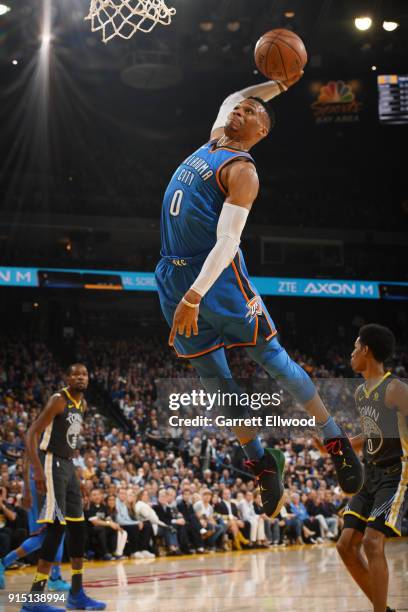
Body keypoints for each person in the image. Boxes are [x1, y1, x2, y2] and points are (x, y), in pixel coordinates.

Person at [155, 70, 363, 520]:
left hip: (217, 279)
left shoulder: (241, 171)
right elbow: (235, 92)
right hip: (173, 276)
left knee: (274, 361)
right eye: (239, 108)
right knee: (215, 381)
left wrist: (193, 297)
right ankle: (263, 462)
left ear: (260, 132)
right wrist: (280, 86)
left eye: (250, 112)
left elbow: (227, 243)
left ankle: (334, 439)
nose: (240, 109)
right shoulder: (214, 141)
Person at [336, 324, 408, 612]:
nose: (351, 353)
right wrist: (335, 445)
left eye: (355, 348)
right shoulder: (361, 393)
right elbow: (370, 434)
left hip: (395, 474)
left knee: (372, 543)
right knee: (345, 546)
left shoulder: (395, 389)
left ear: (366, 350)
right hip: (369, 474)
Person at [24, 363, 105, 612]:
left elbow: (71, 444)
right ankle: (33, 601)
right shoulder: (59, 399)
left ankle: (77, 594)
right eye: (75, 374)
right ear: (67, 378)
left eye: (84, 373)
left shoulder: (82, 405)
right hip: (51, 462)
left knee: (78, 530)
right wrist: (37, 470)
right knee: (57, 528)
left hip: (68, 467)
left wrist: (77, 479)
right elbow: (31, 433)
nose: (80, 377)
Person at [0, 455, 69, 591]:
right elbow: (27, 458)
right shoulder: (38, 437)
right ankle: (55, 578)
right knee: (53, 531)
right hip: (40, 485)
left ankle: (3, 563)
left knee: (51, 533)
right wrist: (27, 490)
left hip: (44, 483)